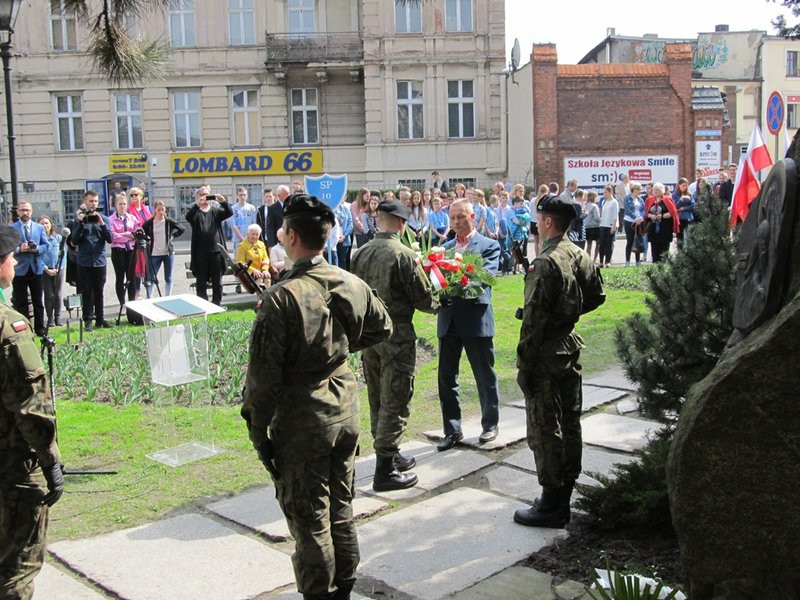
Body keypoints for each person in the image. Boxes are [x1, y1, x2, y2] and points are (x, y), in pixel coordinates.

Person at [241, 193, 392, 600]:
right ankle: (344, 588)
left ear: (290, 236)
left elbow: (261, 383)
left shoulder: (281, 298)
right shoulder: (348, 280)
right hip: (344, 411)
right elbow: (382, 328)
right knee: (341, 510)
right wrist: (336, 349)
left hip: (303, 421)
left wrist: (259, 434)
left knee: (310, 522)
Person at [514, 195, 605, 529]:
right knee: (569, 423)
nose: (536, 225)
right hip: (569, 347)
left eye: (539, 219)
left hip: (546, 355)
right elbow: (596, 296)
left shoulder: (546, 261)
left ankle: (552, 505)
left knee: (544, 428)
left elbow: (533, 321)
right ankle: (562, 496)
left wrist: (524, 364)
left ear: (548, 222)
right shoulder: (579, 253)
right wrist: (567, 314)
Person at [351, 200, 439, 492]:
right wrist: (442, 298)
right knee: (396, 398)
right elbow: (424, 300)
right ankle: (384, 471)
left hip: (369, 336)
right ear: (402, 223)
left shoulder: (359, 253)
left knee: (377, 395)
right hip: (397, 336)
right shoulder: (403, 255)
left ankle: (389, 450)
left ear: (379, 221)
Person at [0, 223, 64, 599]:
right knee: (15, 572)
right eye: (9, 258)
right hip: (10, 470)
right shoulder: (10, 327)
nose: (12, 265)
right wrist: (50, 459)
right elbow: (30, 406)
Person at [437, 200, 502, 451]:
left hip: (476, 319)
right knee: (446, 378)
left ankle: (490, 425)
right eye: (452, 218)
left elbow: (486, 279)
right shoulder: (444, 248)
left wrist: (461, 280)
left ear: (473, 216)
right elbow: (438, 283)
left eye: (461, 217)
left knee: (484, 375)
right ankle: (452, 430)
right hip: (449, 320)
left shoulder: (489, 245)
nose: (456, 223)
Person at [70, 191, 113, 331]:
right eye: (90, 201)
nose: (93, 204)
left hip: (99, 260)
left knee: (99, 290)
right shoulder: (79, 220)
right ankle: (88, 319)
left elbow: (110, 239)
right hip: (84, 261)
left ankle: (100, 319)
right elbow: (74, 241)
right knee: (87, 291)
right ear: (85, 202)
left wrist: (102, 224)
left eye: (95, 201)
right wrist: (82, 223)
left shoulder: (104, 219)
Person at [185, 185, 233, 305]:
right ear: (197, 197)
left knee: (217, 281)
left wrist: (223, 202)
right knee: (201, 282)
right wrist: (197, 204)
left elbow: (229, 213)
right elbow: (188, 217)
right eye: (201, 194)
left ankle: (217, 303)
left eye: (206, 194)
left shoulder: (215, 211)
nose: (204, 197)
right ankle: (203, 304)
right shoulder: (196, 212)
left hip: (216, 251)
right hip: (200, 253)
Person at [11, 201, 49, 336]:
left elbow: (46, 245)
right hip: (20, 269)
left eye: (27, 210)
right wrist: (19, 249)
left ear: (31, 211)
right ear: (18, 212)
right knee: (21, 301)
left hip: (36, 268)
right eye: (22, 210)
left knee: (38, 300)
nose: (24, 213)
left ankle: (40, 328)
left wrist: (37, 249)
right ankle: (25, 329)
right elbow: (8, 248)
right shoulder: (13, 228)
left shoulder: (39, 228)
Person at [141, 200, 185, 297]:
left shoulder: (168, 221)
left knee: (168, 277)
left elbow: (182, 228)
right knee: (151, 277)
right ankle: (150, 297)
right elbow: (142, 230)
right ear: (155, 210)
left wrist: (173, 235)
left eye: (163, 209)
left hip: (167, 253)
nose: (161, 212)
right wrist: (147, 239)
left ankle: (167, 296)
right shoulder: (150, 222)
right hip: (155, 253)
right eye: (159, 210)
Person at [108, 192, 138, 306]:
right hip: (118, 251)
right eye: (120, 204)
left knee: (131, 278)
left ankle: (132, 303)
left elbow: (137, 232)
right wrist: (127, 236)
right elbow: (113, 236)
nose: (122, 206)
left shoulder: (132, 218)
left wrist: (129, 235)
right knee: (120, 277)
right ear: (116, 205)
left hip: (130, 250)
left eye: (124, 204)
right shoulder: (111, 219)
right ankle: (122, 303)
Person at [38, 215, 64, 328]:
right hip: (45, 270)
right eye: (42, 223)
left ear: (51, 225)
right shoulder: (38, 240)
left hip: (58, 269)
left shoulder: (57, 238)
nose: (44, 225)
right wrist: (46, 269)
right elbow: (37, 257)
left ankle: (58, 318)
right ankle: (50, 319)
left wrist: (59, 267)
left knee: (58, 294)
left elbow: (63, 255)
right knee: (48, 294)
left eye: (46, 223)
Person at [644, 182, 680, 263]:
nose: (655, 191)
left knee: (664, 250)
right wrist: (651, 216)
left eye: (657, 190)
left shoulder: (667, 199)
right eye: (654, 190)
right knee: (654, 249)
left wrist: (662, 216)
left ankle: (663, 266)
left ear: (662, 190)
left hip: (665, 228)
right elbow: (646, 213)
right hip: (653, 229)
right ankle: (655, 265)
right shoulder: (649, 200)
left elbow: (673, 212)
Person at [623, 182, 645, 266]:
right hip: (629, 221)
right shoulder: (627, 198)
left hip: (639, 222)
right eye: (638, 189)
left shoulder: (640, 199)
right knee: (630, 241)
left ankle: (637, 261)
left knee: (638, 240)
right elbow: (628, 210)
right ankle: (627, 261)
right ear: (634, 189)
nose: (640, 191)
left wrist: (641, 217)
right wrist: (635, 218)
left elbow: (643, 209)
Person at [597, 184, 619, 267]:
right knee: (601, 243)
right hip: (603, 224)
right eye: (604, 192)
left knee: (609, 244)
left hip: (610, 225)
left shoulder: (614, 202)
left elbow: (615, 215)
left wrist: (613, 226)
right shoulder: (603, 201)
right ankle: (601, 261)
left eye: (606, 192)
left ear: (611, 192)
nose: (604, 194)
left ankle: (607, 261)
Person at [266, 184, 290, 250]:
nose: (289, 195)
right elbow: (270, 228)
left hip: (291, 242)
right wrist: (271, 245)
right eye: (286, 194)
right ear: (279, 196)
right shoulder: (272, 208)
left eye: (289, 193)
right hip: (278, 243)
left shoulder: (292, 206)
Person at [335, 198, 354, 271]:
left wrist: (344, 235)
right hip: (334, 241)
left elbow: (350, 224)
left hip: (344, 241)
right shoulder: (331, 209)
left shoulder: (346, 209)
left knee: (342, 262)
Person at [583, 190, 601, 262]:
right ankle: (595, 259)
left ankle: (588, 260)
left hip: (587, 227)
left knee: (589, 245)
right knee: (598, 244)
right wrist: (602, 220)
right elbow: (597, 218)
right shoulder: (594, 206)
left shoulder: (585, 205)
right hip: (595, 227)